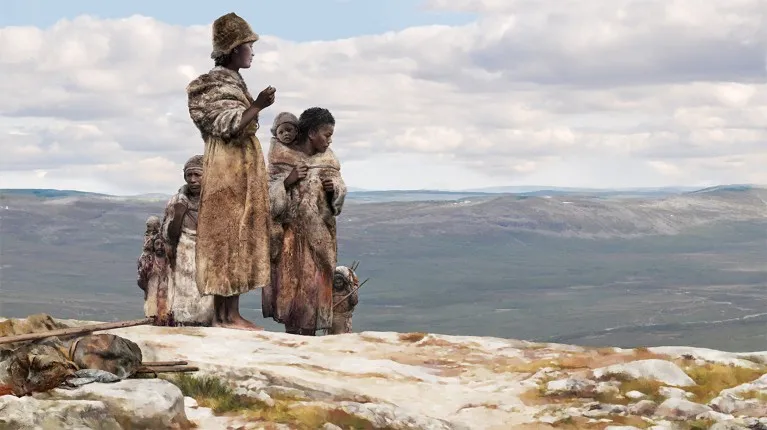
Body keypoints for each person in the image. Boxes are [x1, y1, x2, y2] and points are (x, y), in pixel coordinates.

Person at [186, 12, 275, 330]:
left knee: (237, 235)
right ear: (234, 48)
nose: (252, 52)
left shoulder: (233, 82)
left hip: (239, 166)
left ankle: (228, 313)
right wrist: (258, 106)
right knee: (228, 235)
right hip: (228, 168)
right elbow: (225, 125)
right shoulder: (211, 84)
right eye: (249, 46)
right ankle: (226, 315)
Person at [263, 107, 347, 335]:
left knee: (314, 288)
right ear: (311, 133)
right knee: (291, 289)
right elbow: (267, 197)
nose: (329, 140)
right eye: (326, 134)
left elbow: (339, 192)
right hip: (290, 237)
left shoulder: (328, 160)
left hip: (320, 235)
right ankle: (293, 339)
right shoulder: (280, 158)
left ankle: (309, 338)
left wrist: (335, 190)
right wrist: (287, 182)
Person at [161, 155, 214, 326]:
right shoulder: (176, 201)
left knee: (208, 297)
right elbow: (170, 236)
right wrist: (178, 215)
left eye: (197, 175)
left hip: (210, 254)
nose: (192, 180)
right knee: (184, 297)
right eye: (188, 175)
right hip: (184, 255)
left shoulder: (217, 201)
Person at [137, 215, 172, 325]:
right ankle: (153, 316)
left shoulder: (163, 238)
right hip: (153, 278)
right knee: (153, 296)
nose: (160, 247)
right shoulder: (148, 255)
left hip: (165, 280)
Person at [329, 265, 360, 335]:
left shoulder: (348, 291)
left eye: (340, 282)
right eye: (336, 283)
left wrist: (352, 292)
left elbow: (354, 302)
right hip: (333, 318)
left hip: (345, 318)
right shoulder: (330, 292)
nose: (338, 284)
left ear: (343, 282)